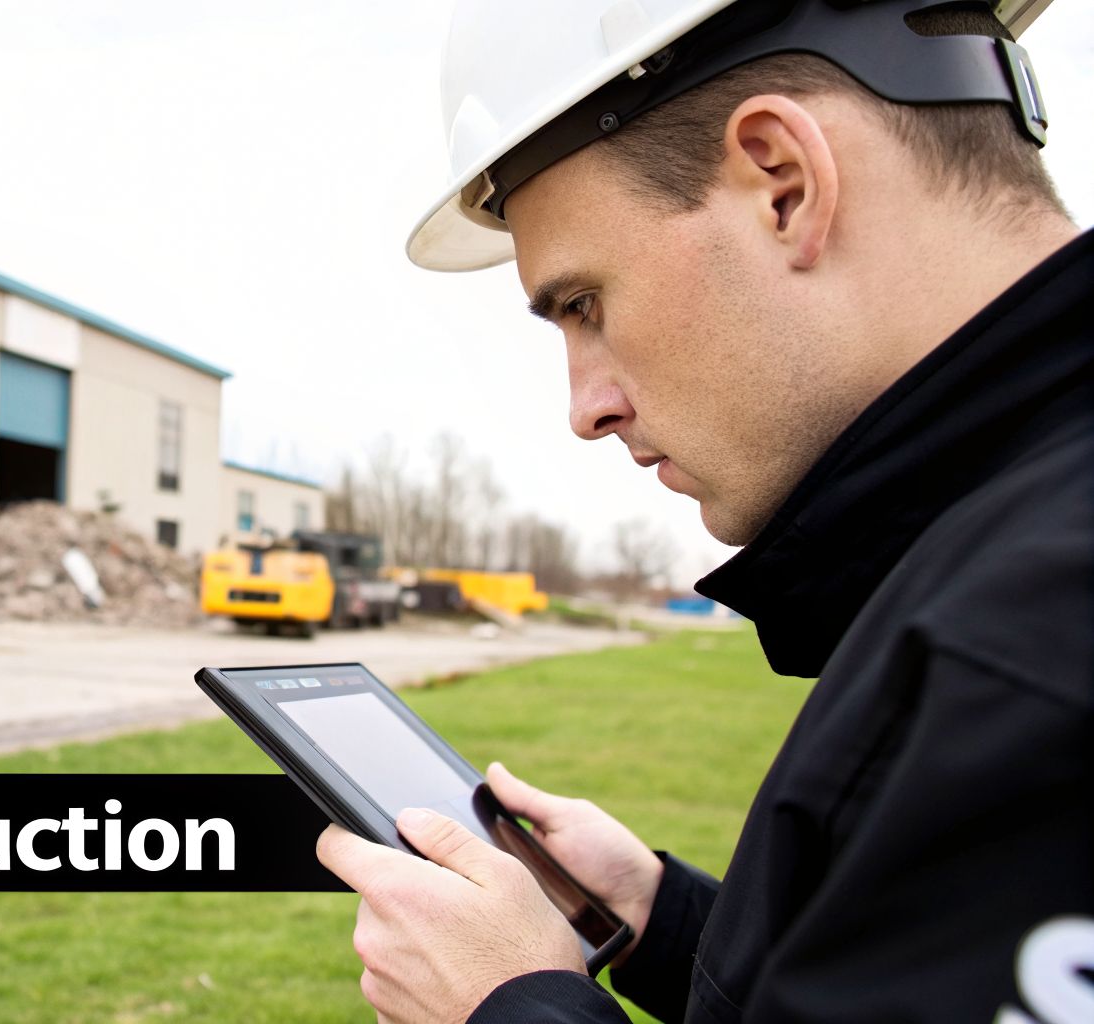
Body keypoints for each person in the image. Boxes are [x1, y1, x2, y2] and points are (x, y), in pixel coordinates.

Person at [314, 1, 1093, 1021]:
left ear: (781, 183)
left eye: (582, 304)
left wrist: (510, 1005)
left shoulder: (1024, 656)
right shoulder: (997, 562)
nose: (584, 407)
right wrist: (667, 923)